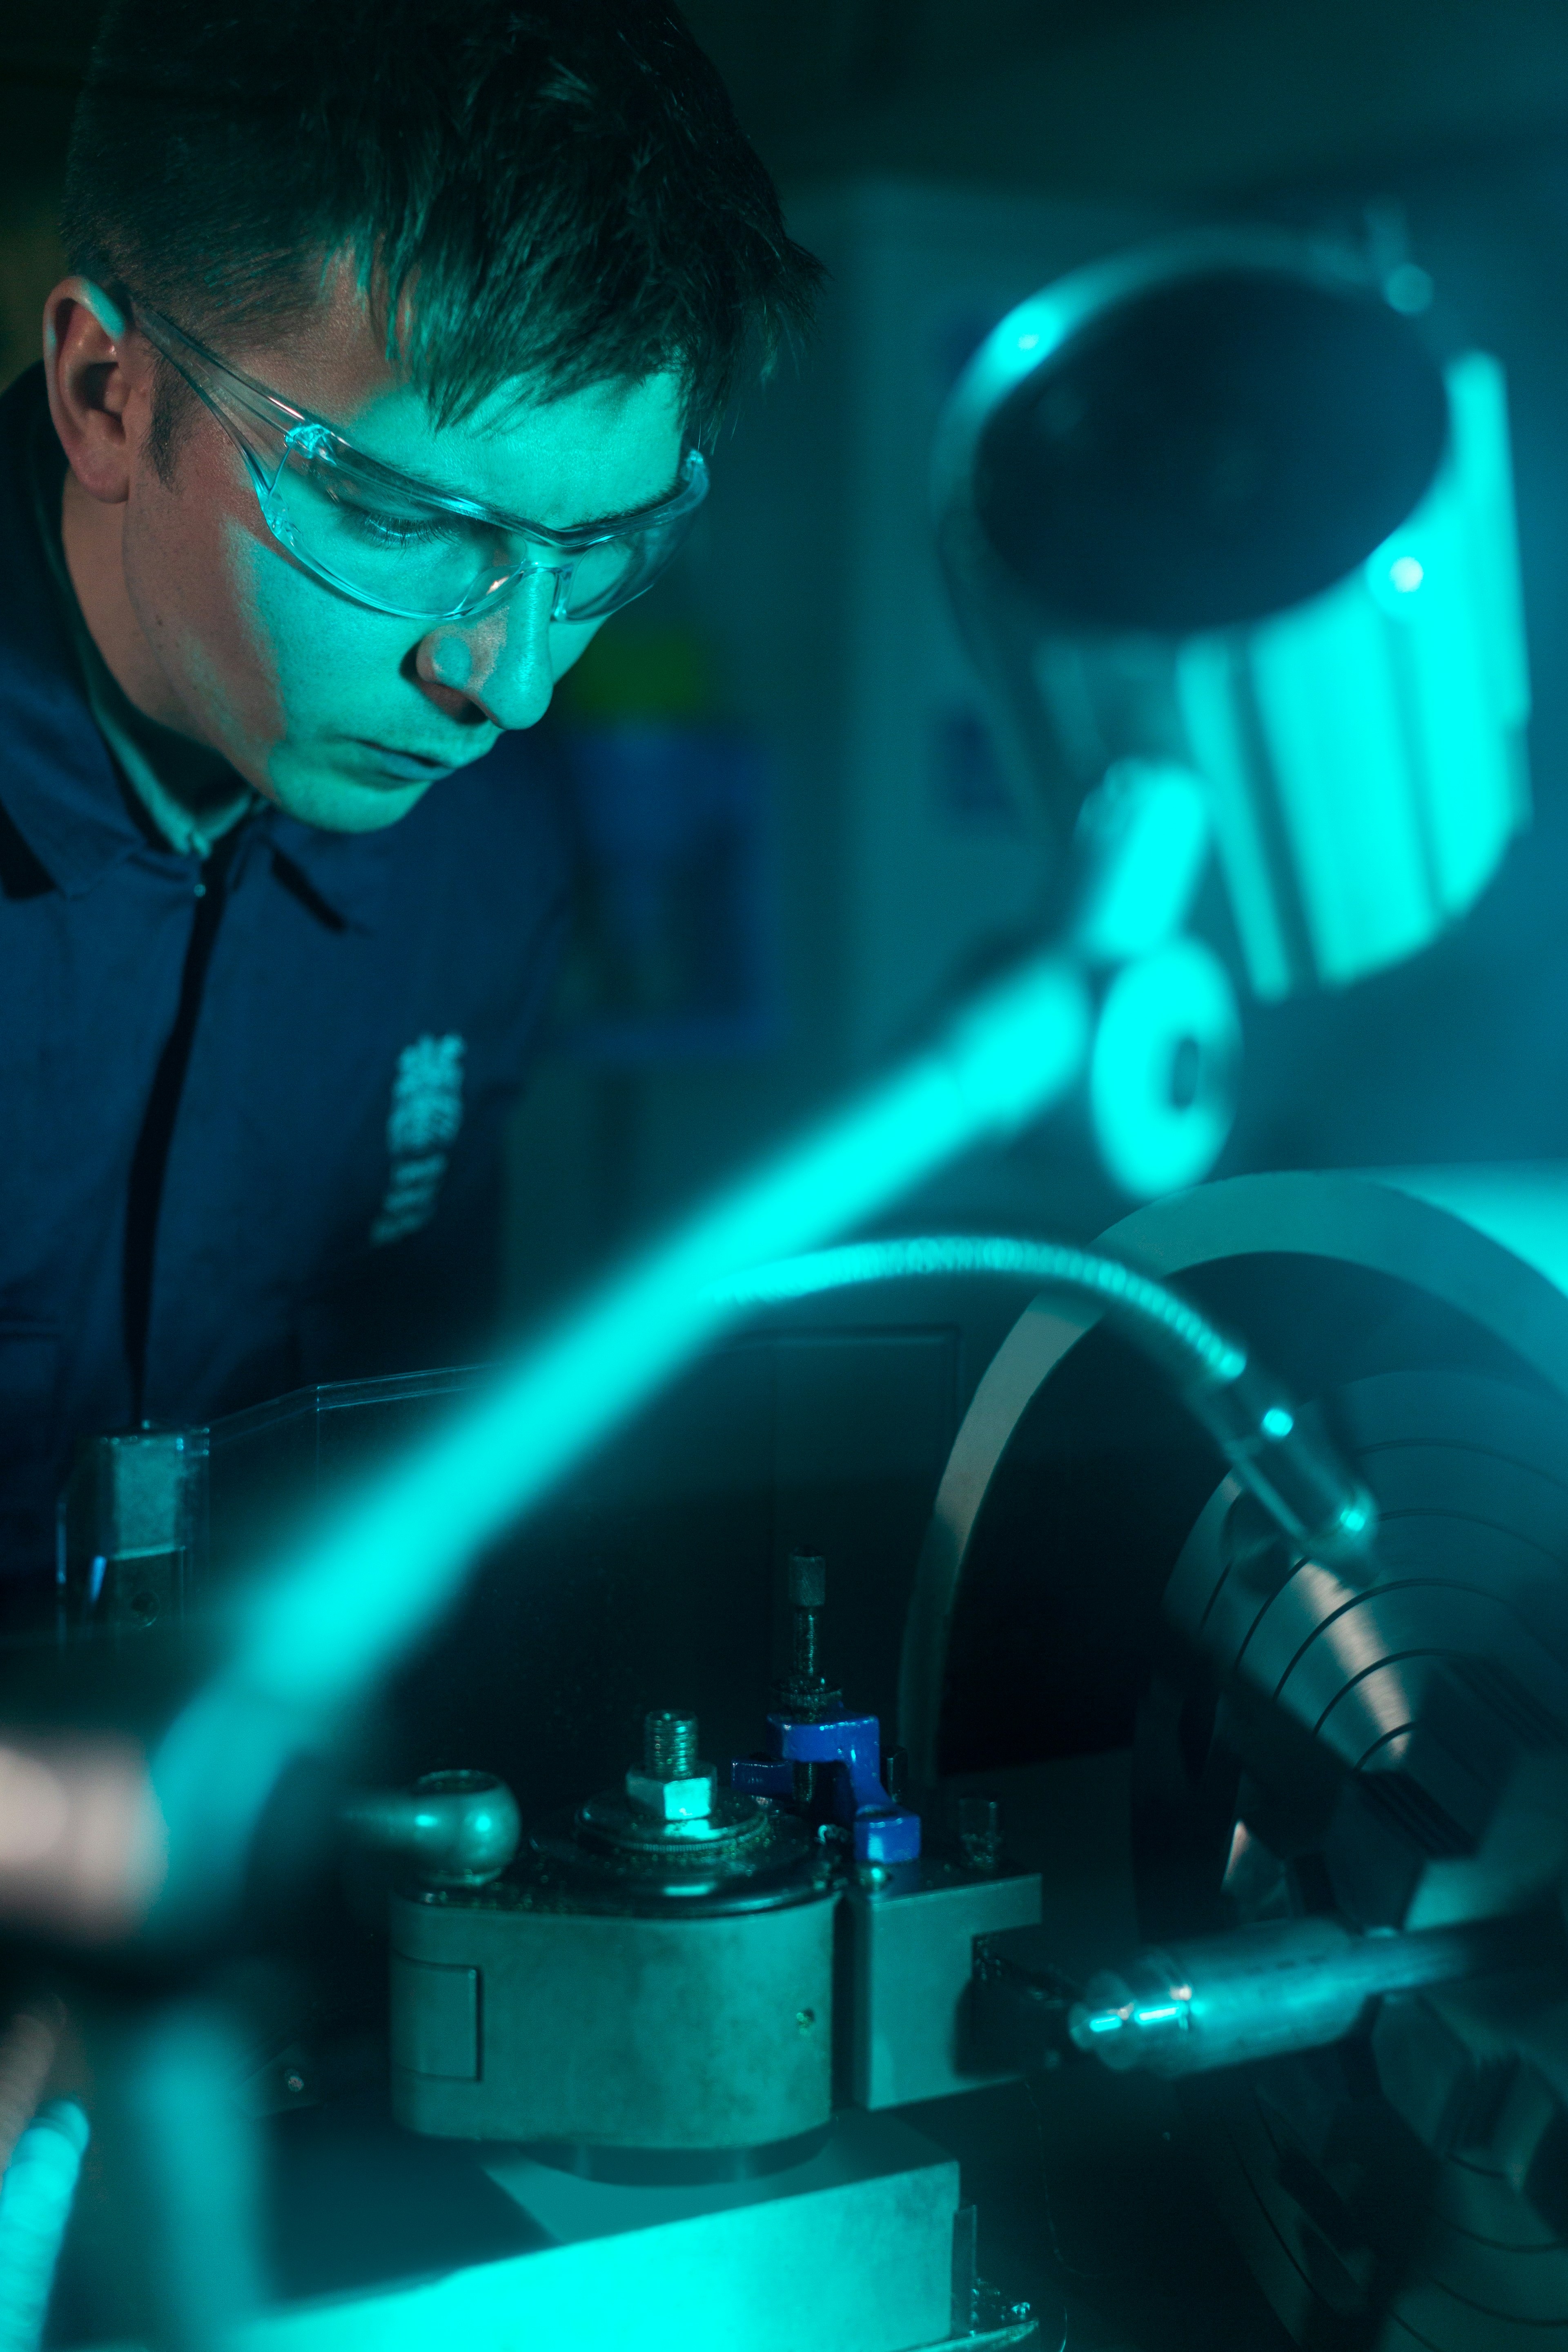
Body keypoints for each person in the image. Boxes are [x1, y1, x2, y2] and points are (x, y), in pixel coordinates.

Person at [0, 0, 820, 1608]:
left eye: (594, 562)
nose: (507, 685)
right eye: (397, 518)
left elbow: (389, 1482)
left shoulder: (481, 844)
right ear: (106, 390)